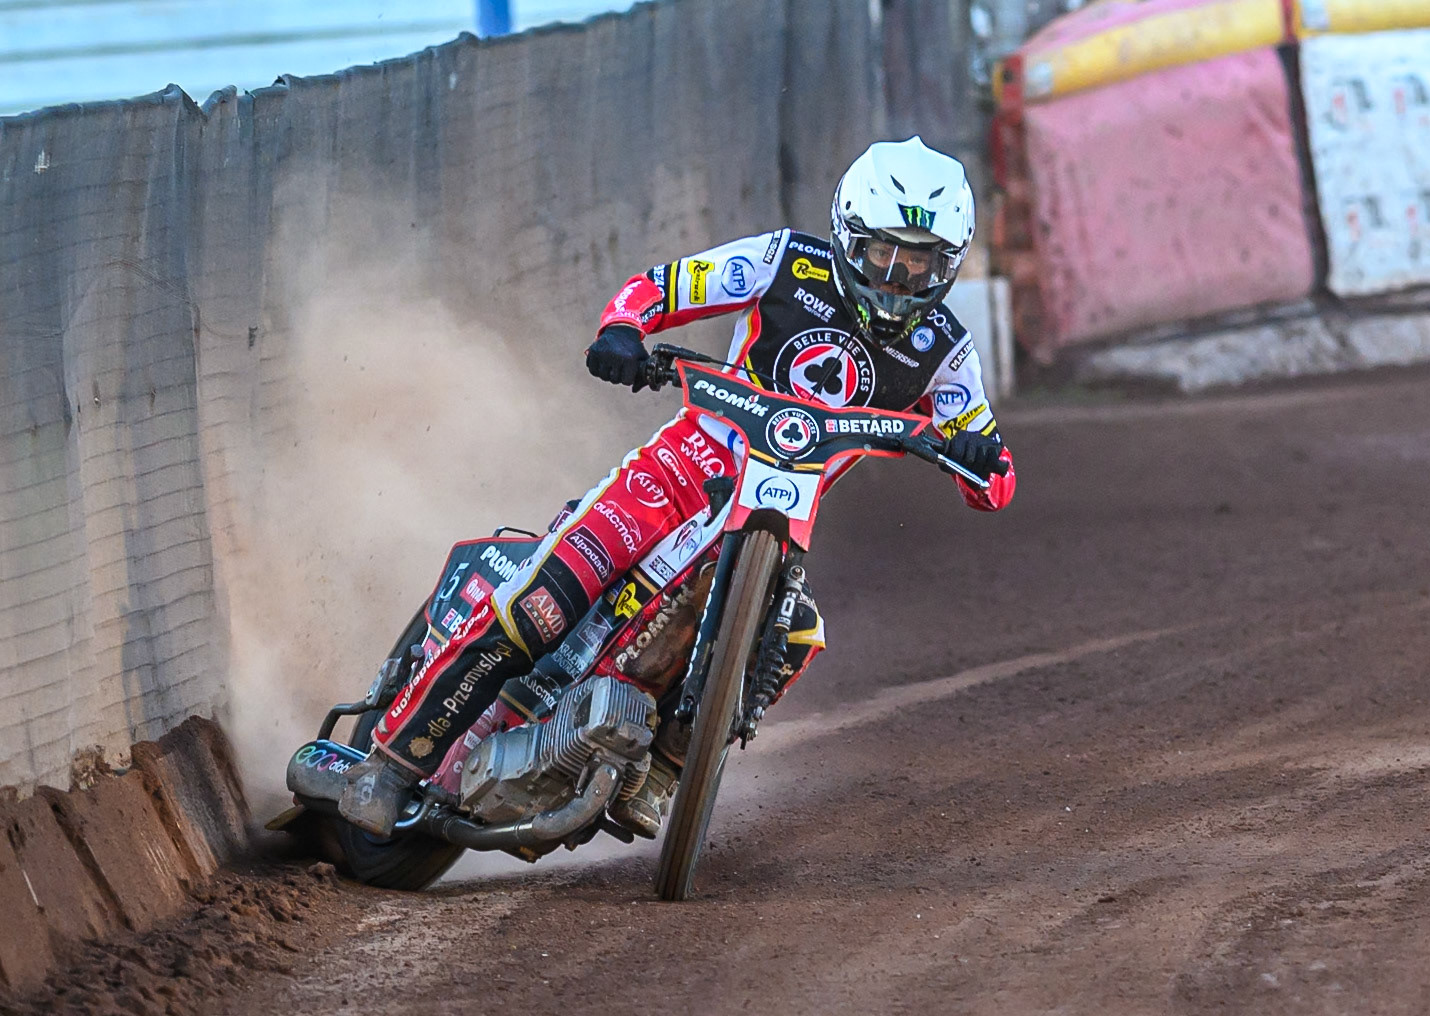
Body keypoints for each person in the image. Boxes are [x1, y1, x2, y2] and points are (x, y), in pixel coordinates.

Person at [339, 136, 1016, 838]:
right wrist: (622, 332)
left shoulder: (945, 350)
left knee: (797, 635)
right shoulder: (784, 260)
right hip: (676, 472)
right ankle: (388, 766)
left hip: (779, 520)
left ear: (948, 263)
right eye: (884, 253)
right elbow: (659, 289)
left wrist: (976, 454)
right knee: (542, 601)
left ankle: (662, 771)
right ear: (850, 236)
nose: (898, 277)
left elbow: (996, 481)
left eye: (921, 261)